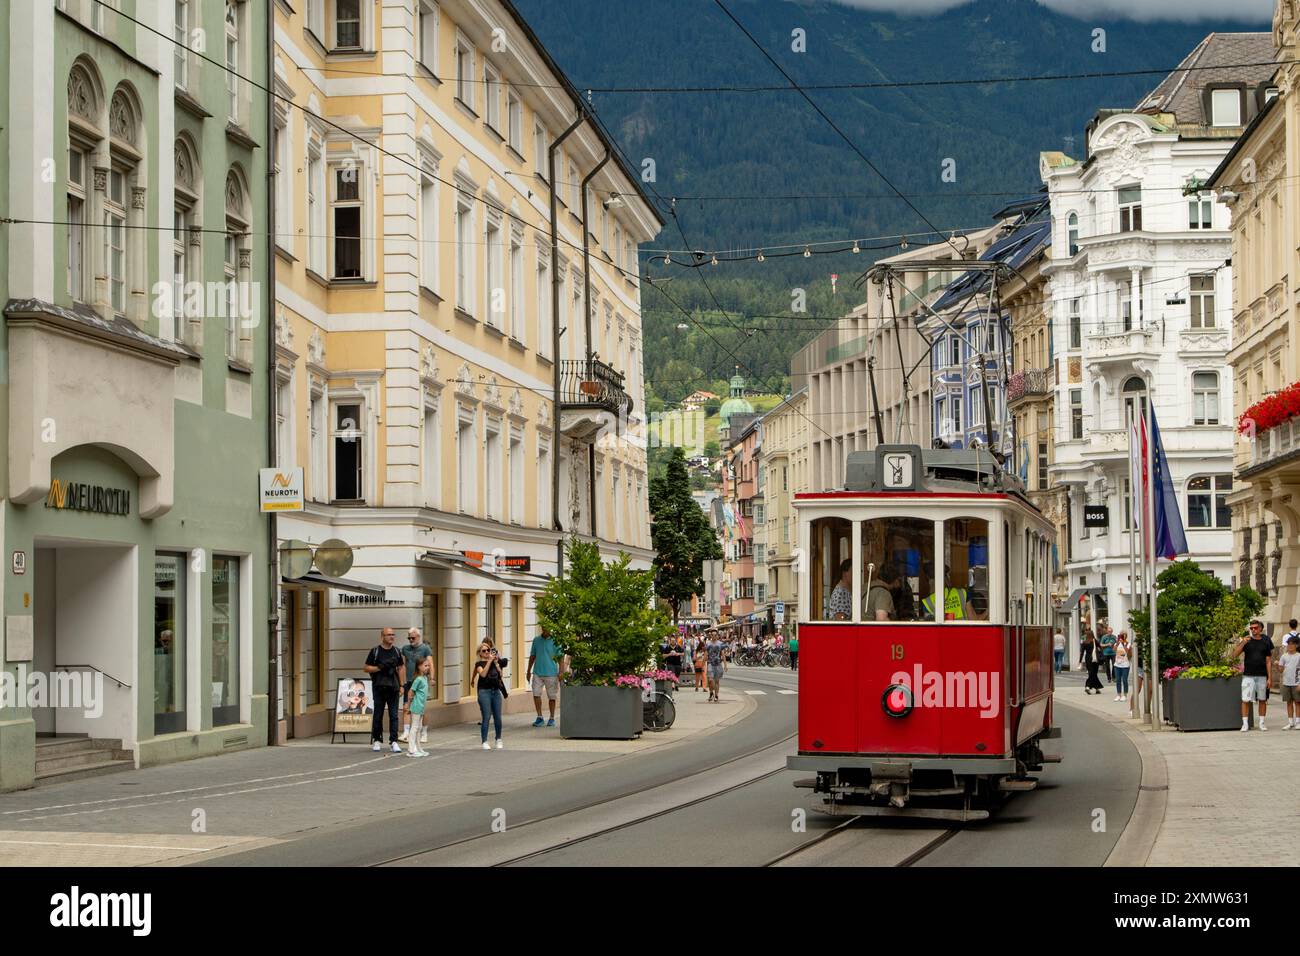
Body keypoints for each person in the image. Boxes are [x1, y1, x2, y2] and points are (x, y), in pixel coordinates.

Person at [364, 628, 406, 753]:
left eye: (393, 635)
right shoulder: (375, 651)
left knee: (394, 715)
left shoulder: (397, 652)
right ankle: (377, 740)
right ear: (382, 636)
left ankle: (394, 741)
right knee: (378, 714)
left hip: (393, 687)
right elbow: (366, 668)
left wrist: (402, 685)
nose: (392, 637)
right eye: (389, 635)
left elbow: (401, 667)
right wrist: (380, 667)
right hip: (379, 687)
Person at [1233, 619, 1274, 731]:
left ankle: (1261, 722)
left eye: (1255, 628)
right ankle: (1245, 723)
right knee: (1245, 699)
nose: (1253, 630)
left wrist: (1270, 678)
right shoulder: (1247, 640)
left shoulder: (1266, 641)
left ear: (1261, 628)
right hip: (1248, 675)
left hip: (1262, 675)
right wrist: (1243, 642)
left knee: (1262, 699)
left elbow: (1268, 661)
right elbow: (1234, 655)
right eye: (1251, 628)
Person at [399, 627, 433, 744]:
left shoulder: (425, 648)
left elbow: (430, 663)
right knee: (406, 707)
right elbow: (402, 666)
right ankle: (406, 732)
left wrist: (432, 678)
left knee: (422, 709)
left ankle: (424, 732)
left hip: (421, 682)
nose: (410, 640)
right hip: (409, 681)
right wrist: (401, 683)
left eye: (412, 638)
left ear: (418, 637)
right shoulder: (405, 649)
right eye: (409, 638)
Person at [470, 642, 506, 749]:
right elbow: (483, 674)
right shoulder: (479, 664)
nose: (487, 652)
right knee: (486, 716)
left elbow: (500, 675)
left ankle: (498, 739)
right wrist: (489, 661)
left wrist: (496, 663)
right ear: (480, 653)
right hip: (484, 692)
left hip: (496, 692)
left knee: (498, 717)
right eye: (484, 651)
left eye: (488, 650)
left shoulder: (494, 662)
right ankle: (484, 741)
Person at [527, 629, 562, 727]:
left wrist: (561, 672)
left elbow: (560, 657)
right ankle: (540, 717)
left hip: (551, 673)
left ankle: (551, 718)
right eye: (544, 627)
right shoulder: (536, 640)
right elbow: (532, 656)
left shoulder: (555, 641)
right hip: (538, 672)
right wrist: (529, 670)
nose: (545, 630)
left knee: (552, 696)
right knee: (536, 693)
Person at [405, 657, 431, 757]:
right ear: (419, 667)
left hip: (421, 707)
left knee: (419, 728)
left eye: (428, 665)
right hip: (416, 706)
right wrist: (409, 704)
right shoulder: (418, 679)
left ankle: (418, 748)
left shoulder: (424, 678)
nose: (427, 667)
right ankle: (411, 750)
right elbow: (410, 692)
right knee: (414, 727)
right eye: (425, 665)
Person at [1279, 636, 1300, 729]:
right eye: (1289, 644)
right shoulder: (1284, 656)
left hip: (1296, 683)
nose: (1290, 646)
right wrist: (1277, 665)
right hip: (1286, 682)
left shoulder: (1299, 656)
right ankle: (1290, 722)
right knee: (1289, 702)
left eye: (1292, 644)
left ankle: (1298, 721)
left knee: (1298, 702)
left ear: (1296, 645)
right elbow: (1281, 669)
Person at [705, 631, 727, 702]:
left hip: (718, 663)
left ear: (717, 636)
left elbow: (723, 654)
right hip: (710, 663)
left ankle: (716, 695)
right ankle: (711, 692)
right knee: (710, 680)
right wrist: (703, 663)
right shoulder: (708, 643)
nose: (714, 636)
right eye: (712, 635)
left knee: (717, 681)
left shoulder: (720, 644)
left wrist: (725, 665)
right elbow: (706, 654)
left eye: (715, 635)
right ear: (711, 636)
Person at [1113, 632, 1131, 702]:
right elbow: (1114, 650)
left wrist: (1123, 643)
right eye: (1120, 636)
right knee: (1118, 680)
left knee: (1124, 680)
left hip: (1125, 665)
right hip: (1117, 664)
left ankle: (1125, 695)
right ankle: (1118, 694)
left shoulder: (1128, 644)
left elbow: (1126, 651)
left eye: (1123, 636)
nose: (1121, 637)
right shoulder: (1117, 643)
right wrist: (1117, 643)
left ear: (1125, 636)